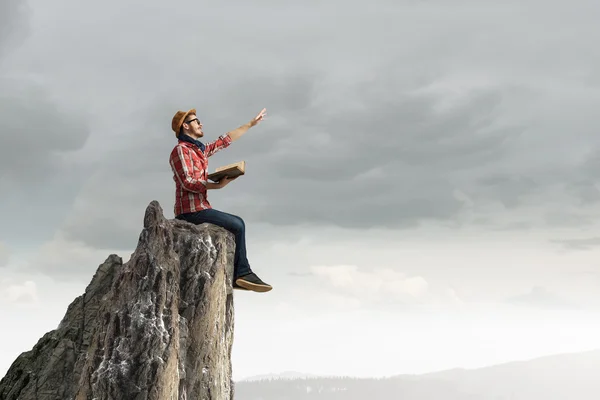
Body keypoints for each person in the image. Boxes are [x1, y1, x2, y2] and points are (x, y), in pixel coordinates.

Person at [169, 107, 272, 293]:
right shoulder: (181, 150)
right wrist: (216, 185)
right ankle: (241, 274)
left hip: (200, 207)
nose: (200, 124)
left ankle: (239, 275)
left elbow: (224, 141)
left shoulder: (199, 150)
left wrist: (250, 124)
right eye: (196, 121)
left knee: (237, 224)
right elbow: (187, 182)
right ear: (186, 126)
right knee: (237, 224)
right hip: (189, 212)